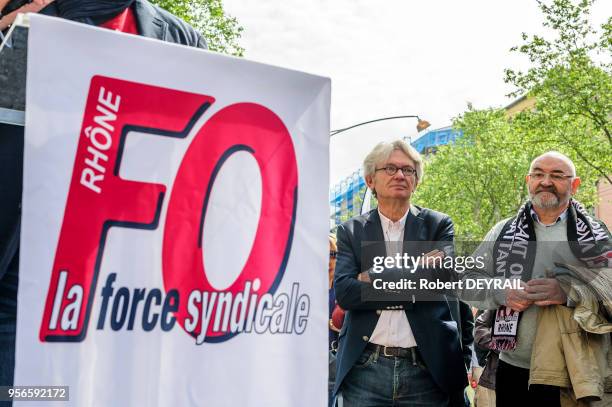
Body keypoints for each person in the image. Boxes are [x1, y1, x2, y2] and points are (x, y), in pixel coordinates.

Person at [0, 0, 207, 398]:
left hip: (115, 270)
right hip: (23, 261)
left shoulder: (180, 38)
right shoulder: (30, 16)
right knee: (22, 391)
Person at [462, 151, 611, 406]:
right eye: (539, 174)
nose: (546, 181)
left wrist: (568, 292)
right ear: (528, 181)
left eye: (557, 175)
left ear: (575, 184)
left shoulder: (596, 235)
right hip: (513, 368)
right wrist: (500, 291)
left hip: (577, 370)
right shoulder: (502, 231)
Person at [333, 140, 468, 406]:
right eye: (391, 168)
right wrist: (415, 272)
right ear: (371, 180)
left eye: (408, 170)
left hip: (427, 369)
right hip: (365, 369)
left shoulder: (438, 225)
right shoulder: (351, 230)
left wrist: (371, 276)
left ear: (416, 181)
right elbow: (346, 294)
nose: (400, 175)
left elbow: (437, 282)